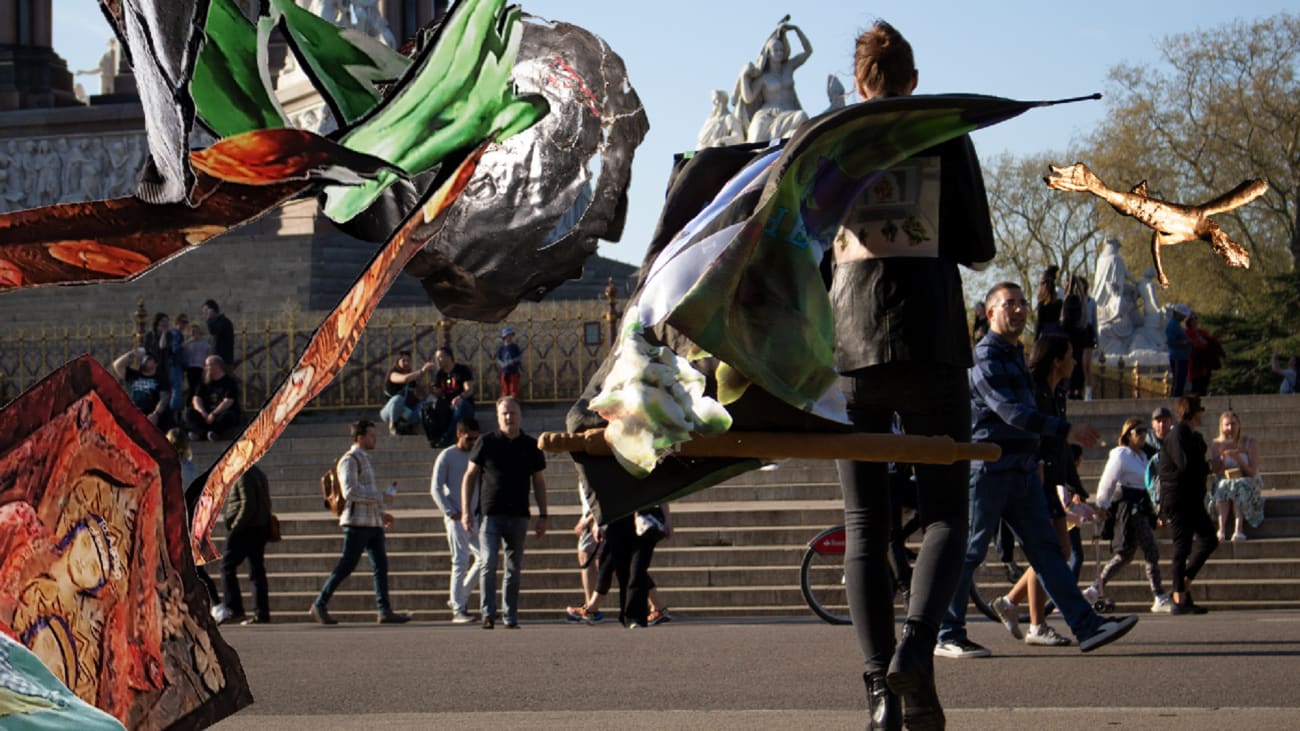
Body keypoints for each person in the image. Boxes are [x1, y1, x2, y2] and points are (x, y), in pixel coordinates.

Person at [829, 21, 994, 730]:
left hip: (849, 346)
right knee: (947, 512)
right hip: (929, 339)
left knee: (865, 525)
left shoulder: (830, 137)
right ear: (913, 81)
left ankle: (876, 692)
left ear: (859, 81)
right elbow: (979, 247)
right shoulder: (941, 131)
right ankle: (917, 649)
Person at [937, 282, 1138, 660]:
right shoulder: (984, 357)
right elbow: (1009, 411)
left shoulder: (1015, 354)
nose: (1018, 309)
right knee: (970, 552)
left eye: (1022, 303)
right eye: (1008, 303)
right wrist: (1066, 430)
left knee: (1047, 551)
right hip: (990, 470)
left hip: (1022, 472)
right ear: (992, 312)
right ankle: (947, 632)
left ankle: (1087, 626)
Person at [988, 333, 1089, 646]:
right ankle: (1036, 623)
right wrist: (1040, 469)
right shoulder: (1037, 391)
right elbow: (1034, 433)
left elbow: (1061, 444)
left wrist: (1075, 485)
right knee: (1051, 552)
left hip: (1051, 477)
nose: (1075, 362)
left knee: (1060, 551)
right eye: (1071, 356)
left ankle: (1011, 602)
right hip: (1037, 477)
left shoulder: (1056, 392)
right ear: (1057, 360)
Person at [311, 420, 411, 625]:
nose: (374, 439)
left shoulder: (364, 459)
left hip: (371, 522)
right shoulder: (349, 460)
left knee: (380, 565)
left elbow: (365, 492)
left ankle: (384, 610)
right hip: (356, 523)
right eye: (371, 435)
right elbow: (350, 491)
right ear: (360, 437)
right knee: (346, 565)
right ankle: (319, 603)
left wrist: (381, 514)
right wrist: (381, 497)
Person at [461, 397, 547, 629]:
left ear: (520, 416)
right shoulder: (486, 442)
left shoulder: (531, 445)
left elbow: (538, 481)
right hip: (491, 513)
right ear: (498, 417)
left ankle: (510, 615)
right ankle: (488, 613)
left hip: (519, 514)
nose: (509, 417)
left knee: (513, 566)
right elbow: (470, 475)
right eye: (504, 414)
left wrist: (543, 514)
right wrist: (466, 511)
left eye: (513, 413)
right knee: (488, 562)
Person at [1085, 418, 1170, 613]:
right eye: (1138, 431)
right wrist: (1102, 504)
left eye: (1144, 431)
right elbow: (1108, 480)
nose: (1142, 435)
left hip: (1142, 504)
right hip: (1130, 508)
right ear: (1128, 434)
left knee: (1126, 554)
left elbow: (1150, 483)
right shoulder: (1121, 454)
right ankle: (1159, 595)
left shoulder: (1142, 456)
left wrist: (1158, 508)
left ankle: (1095, 587)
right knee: (1150, 550)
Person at [1158, 395, 1221, 614]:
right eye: (1200, 410)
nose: (1202, 413)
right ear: (1192, 412)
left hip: (1191, 498)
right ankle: (1179, 598)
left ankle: (1184, 581)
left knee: (1209, 539)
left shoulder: (1190, 434)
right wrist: (1210, 467)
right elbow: (1184, 465)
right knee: (1182, 546)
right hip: (1179, 498)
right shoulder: (1178, 433)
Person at [430, 417, 482, 623]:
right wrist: (450, 511)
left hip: (474, 516)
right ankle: (459, 609)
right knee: (460, 561)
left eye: (476, 439)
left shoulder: (476, 455)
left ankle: (458, 597)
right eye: (469, 438)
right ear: (459, 434)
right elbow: (435, 488)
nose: (472, 443)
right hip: (456, 516)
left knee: (484, 558)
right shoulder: (447, 456)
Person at [731, 19, 812, 142]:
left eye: (781, 50)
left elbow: (808, 51)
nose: (779, 53)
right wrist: (744, 76)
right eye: (776, 50)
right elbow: (748, 98)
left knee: (802, 116)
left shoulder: (789, 67)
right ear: (768, 53)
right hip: (767, 115)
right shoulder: (764, 77)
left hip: (789, 112)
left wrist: (796, 30)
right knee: (757, 138)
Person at [216, 463, 273, 625]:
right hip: (259, 527)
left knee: (226, 567)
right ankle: (261, 613)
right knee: (257, 570)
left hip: (245, 528)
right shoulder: (258, 472)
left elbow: (247, 503)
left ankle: (234, 609)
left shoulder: (243, 474)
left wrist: (236, 526)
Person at [169, 428, 219, 605]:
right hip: (190, 519)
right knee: (194, 567)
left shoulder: (168, 467)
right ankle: (214, 602)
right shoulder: (191, 467)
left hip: (173, 521)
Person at [1209, 410, 1264, 541]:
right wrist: (1221, 460)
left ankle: (1238, 529)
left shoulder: (1249, 442)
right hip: (1225, 481)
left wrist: (1238, 458)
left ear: (1239, 425)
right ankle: (1221, 529)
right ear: (1221, 427)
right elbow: (1215, 471)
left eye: (1233, 424)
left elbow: (1252, 472)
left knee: (1238, 485)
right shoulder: (1216, 444)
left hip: (1248, 480)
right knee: (1224, 485)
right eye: (1227, 425)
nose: (1230, 428)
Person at [111, 346, 171, 428]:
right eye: (144, 358)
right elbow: (117, 365)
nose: (145, 360)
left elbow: (164, 398)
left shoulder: (160, 379)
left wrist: (156, 414)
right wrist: (132, 354)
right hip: (133, 414)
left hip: (149, 416)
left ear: (156, 364)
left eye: (149, 359)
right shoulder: (134, 375)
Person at [427, 347, 475, 448]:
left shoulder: (462, 370)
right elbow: (438, 394)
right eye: (436, 358)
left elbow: (469, 390)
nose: (437, 360)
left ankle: (447, 438)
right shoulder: (440, 374)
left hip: (465, 407)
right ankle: (435, 437)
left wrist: (460, 397)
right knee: (428, 406)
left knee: (459, 405)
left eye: (440, 357)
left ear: (449, 357)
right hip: (449, 408)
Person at [184, 355, 241, 440]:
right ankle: (203, 434)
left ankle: (214, 433)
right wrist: (202, 412)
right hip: (206, 415)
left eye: (208, 365)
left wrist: (214, 414)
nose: (206, 368)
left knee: (228, 416)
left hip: (219, 414)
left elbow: (228, 401)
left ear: (217, 366)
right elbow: (196, 398)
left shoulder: (229, 382)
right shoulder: (204, 381)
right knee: (188, 413)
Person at [380, 351, 433, 435]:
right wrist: (422, 371)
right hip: (389, 412)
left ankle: (407, 426)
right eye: (403, 361)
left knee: (423, 405)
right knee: (398, 399)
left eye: (408, 361)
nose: (406, 363)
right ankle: (392, 425)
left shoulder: (412, 380)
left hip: (405, 413)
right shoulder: (393, 374)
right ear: (398, 362)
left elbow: (421, 394)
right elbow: (404, 379)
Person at [1059, 294, 1096, 400]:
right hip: (1078, 348)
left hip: (1074, 348)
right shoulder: (1082, 324)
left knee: (1075, 368)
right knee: (1078, 368)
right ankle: (1076, 390)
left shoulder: (1064, 324)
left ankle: (1071, 390)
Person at [1184, 313, 1223, 395]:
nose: (1195, 321)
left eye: (1196, 318)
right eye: (1193, 319)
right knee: (1196, 383)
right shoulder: (1187, 332)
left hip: (1205, 361)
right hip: (1195, 361)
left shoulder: (1202, 332)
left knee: (1204, 383)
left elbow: (1208, 343)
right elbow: (1193, 345)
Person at [1165, 304, 1192, 396]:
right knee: (1178, 381)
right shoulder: (1172, 325)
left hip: (1182, 357)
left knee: (1181, 380)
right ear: (1177, 313)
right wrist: (1186, 343)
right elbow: (1171, 342)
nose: (1184, 317)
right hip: (1177, 357)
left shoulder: (1177, 325)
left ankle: (1178, 396)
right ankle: (1174, 399)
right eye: (1182, 314)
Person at [180, 321, 212, 397]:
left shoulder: (205, 344)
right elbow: (181, 349)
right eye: (192, 331)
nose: (194, 333)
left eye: (195, 331)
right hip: (190, 367)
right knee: (192, 387)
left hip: (201, 367)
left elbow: (208, 355)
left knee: (200, 386)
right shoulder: (188, 343)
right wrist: (190, 341)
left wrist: (206, 368)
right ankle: (189, 404)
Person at [202, 299, 236, 367]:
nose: (205, 315)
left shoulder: (224, 321)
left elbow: (213, 331)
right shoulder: (216, 321)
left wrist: (208, 319)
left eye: (206, 312)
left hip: (223, 359)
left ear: (211, 310)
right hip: (217, 358)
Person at [166, 314, 188, 413]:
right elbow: (175, 349)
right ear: (177, 322)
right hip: (175, 364)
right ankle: (174, 413)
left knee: (173, 390)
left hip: (174, 364)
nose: (184, 325)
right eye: (183, 322)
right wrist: (185, 344)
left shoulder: (174, 333)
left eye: (185, 323)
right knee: (177, 390)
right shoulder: (176, 334)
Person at [1034, 265, 1062, 339]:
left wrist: (1036, 339)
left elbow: (1040, 322)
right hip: (1057, 332)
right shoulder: (1059, 303)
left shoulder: (1042, 304)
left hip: (1045, 334)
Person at [495, 327, 523, 398]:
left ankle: (513, 403)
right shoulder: (501, 348)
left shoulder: (514, 346)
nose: (510, 337)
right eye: (508, 336)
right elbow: (498, 358)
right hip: (504, 371)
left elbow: (519, 356)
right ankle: (505, 404)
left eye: (511, 336)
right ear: (504, 337)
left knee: (513, 388)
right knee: (505, 388)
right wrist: (502, 364)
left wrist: (513, 360)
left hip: (513, 371)